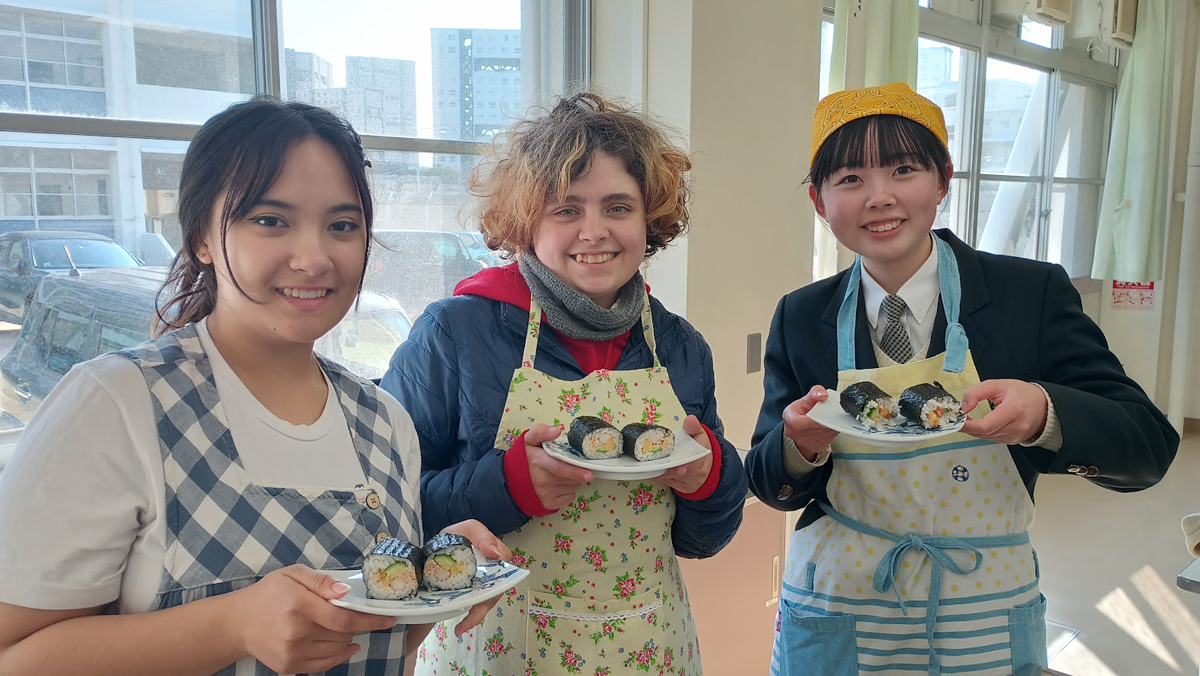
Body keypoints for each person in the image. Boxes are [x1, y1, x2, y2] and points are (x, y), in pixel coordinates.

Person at [0, 97, 507, 676]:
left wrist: (441, 582)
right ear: (201, 238)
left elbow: (387, 647)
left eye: (342, 225)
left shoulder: (386, 422)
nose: (314, 257)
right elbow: (16, 657)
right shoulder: (117, 402)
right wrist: (232, 625)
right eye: (270, 220)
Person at [745, 82, 1179, 676]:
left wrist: (1045, 413)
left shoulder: (1030, 295)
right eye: (849, 179)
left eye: (903, 169)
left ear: (944, 180)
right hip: (839, 603)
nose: (879, 197)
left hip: (983, 605)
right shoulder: (800, 314)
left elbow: (1148, 448)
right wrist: (796, 447)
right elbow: (770, 483)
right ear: (819, 202)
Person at [380, 92, 748, 676]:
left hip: (647, 644)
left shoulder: (679, 347)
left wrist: (711, 480)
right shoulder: (455, 331)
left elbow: (703, 540)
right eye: (566, 209)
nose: (594, 231)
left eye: (618, 207)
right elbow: (387, 509)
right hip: (498, 647)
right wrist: (506, 485)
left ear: (648, 219)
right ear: (528, 220)